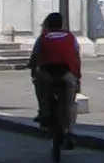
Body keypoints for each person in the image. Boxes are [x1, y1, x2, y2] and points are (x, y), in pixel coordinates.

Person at [29, 11, 81, 146]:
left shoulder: (43, 38)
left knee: (39, 86)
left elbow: (35, 56)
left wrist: (32, 69)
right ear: (62, 24)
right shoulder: (71, 37)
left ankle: (44, 112)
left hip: (47, 73)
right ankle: (69, 132)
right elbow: (76, 56)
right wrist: (78, 77)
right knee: (70, 103)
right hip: (67, 74)